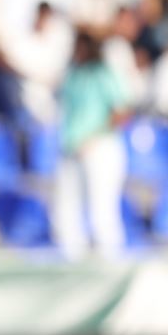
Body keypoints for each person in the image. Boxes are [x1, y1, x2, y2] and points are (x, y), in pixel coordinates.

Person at [52, 32, 130, 261]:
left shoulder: (104, 73)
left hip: (100, 147)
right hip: (72, 149)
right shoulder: (72, 74)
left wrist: (95, 137)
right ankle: (72, 262)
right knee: (66, 210)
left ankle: (111, 262)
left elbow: (122, 111)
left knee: (102, 211)